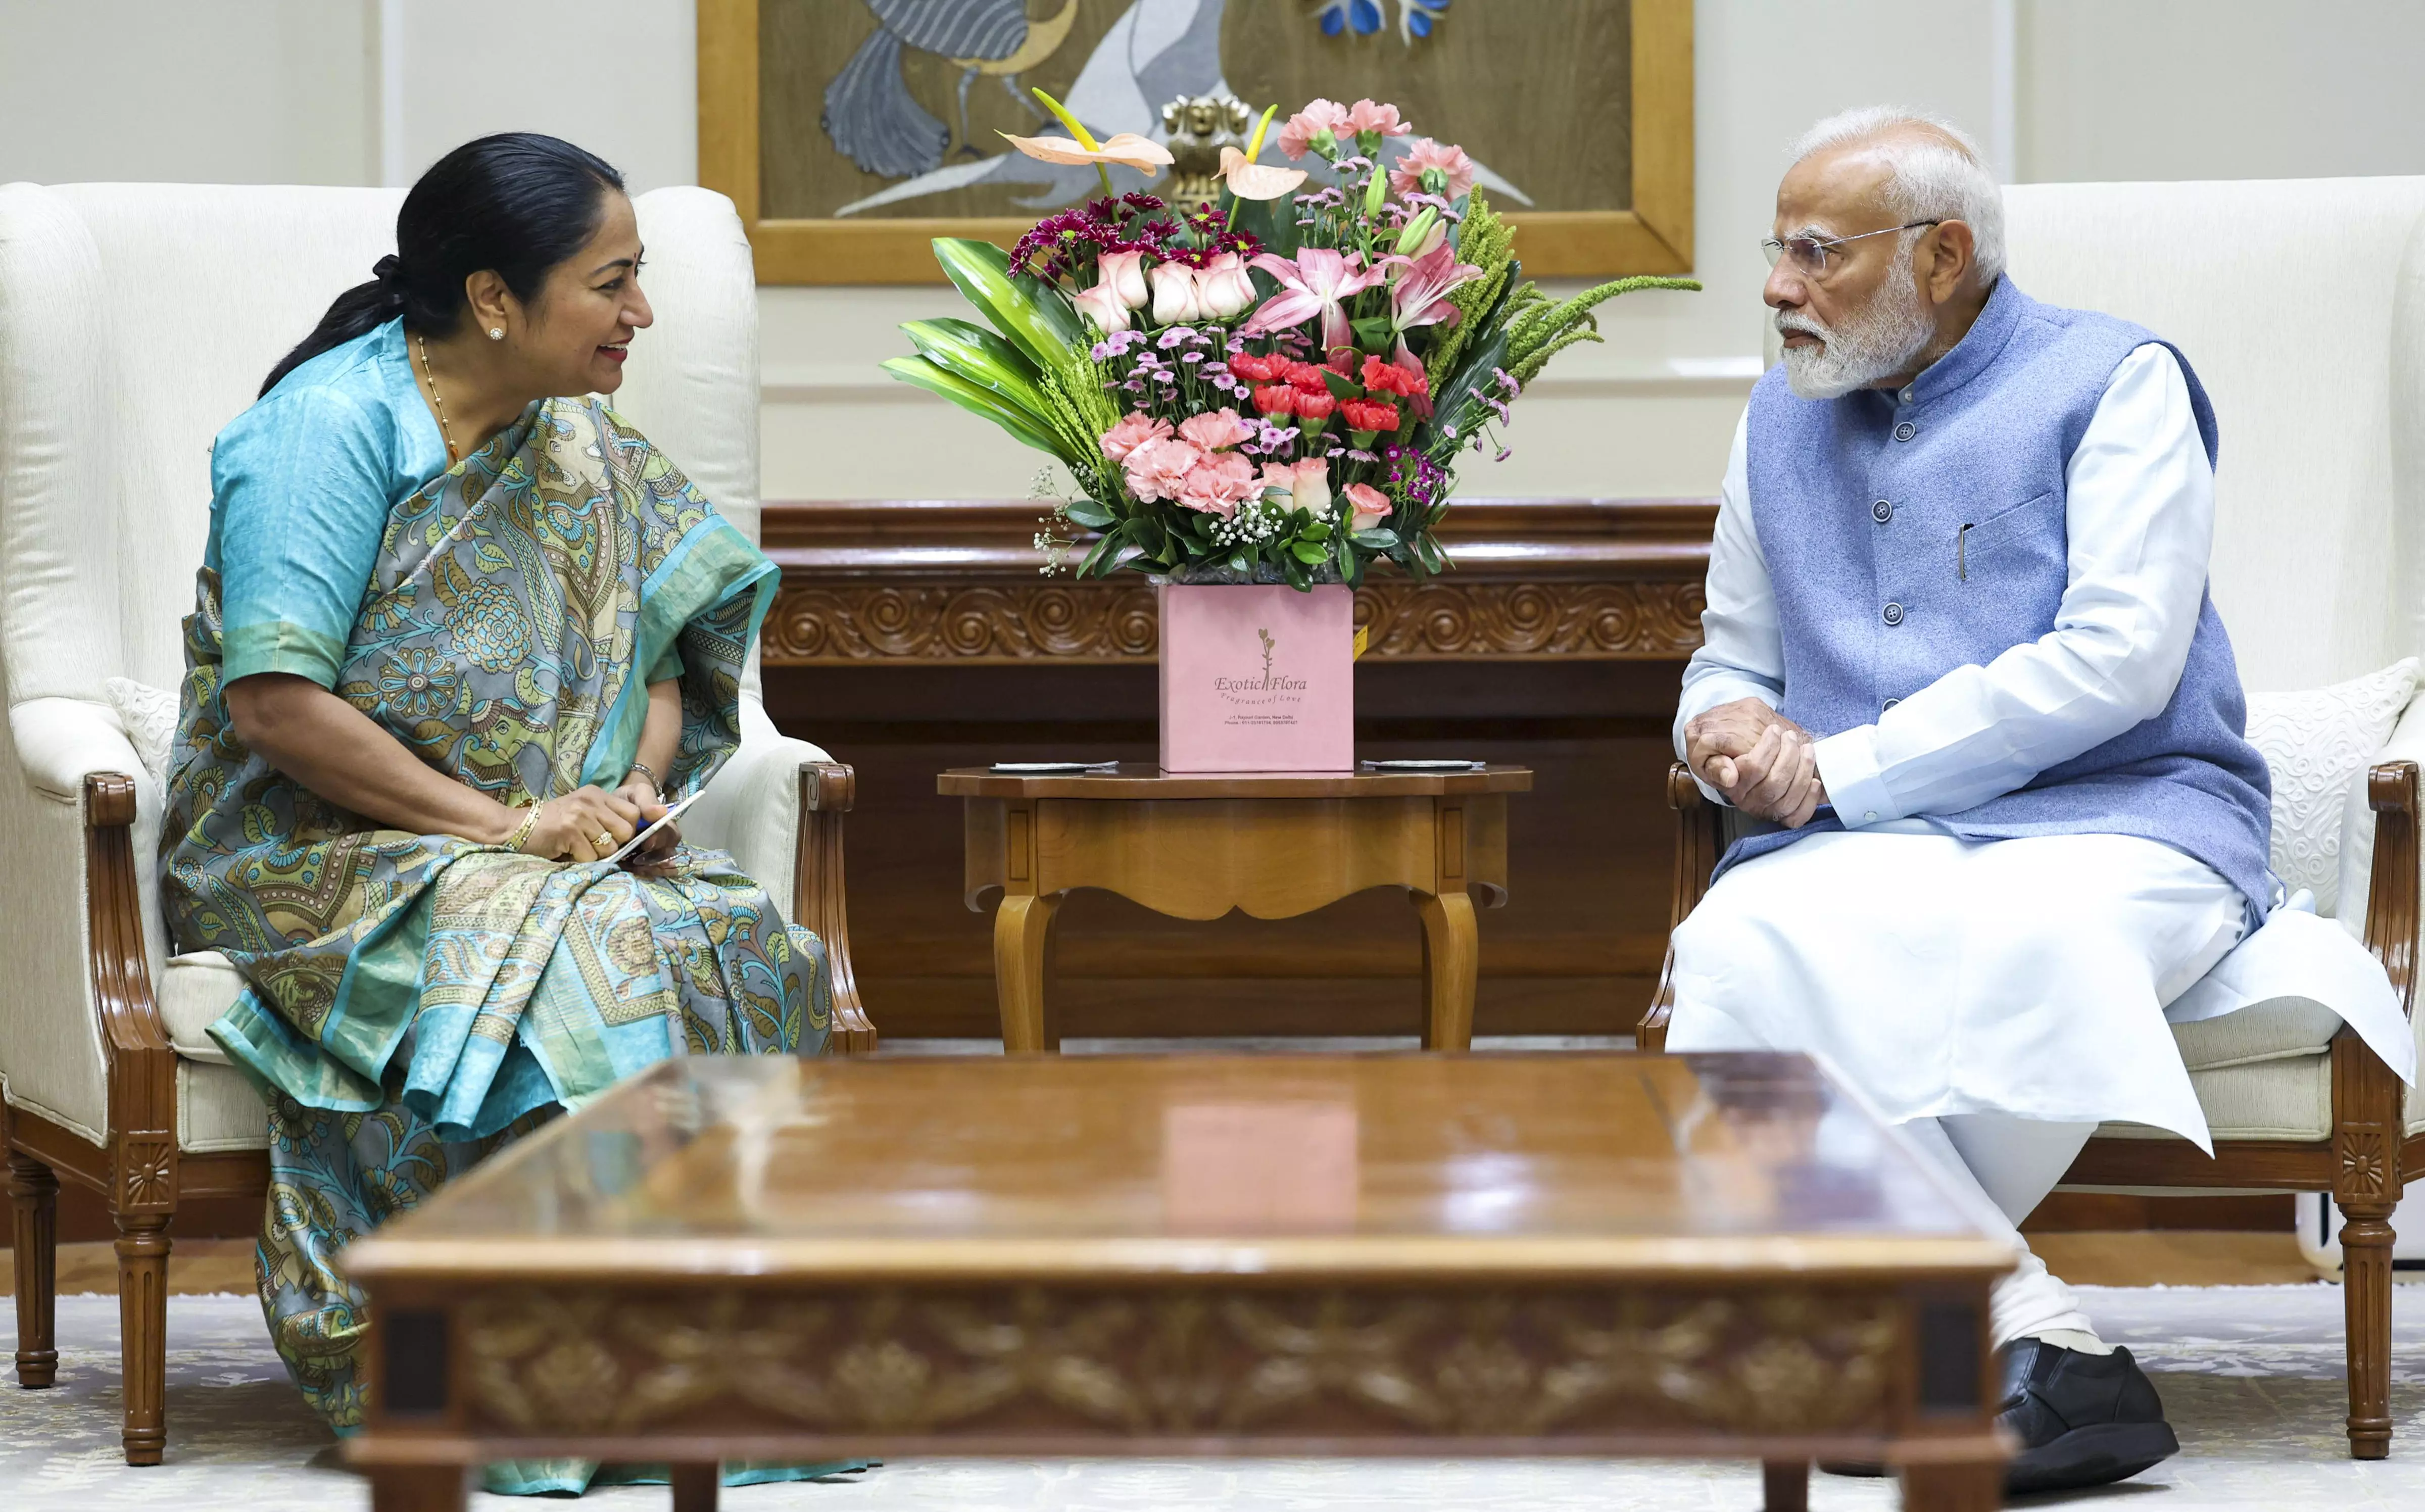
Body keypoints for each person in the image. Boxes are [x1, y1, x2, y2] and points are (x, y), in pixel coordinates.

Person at [1667, 106, 2414, 1496]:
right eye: (1776, 250)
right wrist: (1731, 729)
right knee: (1730, 951)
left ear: (1941, 255)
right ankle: (2034, 1340)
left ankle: (1897, 1332)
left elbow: (2117, 662)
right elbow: (1733, 649)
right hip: (1864, 838)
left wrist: (1838, 768)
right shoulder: (1781, 408)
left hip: (2128, 816)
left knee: (2015, 942)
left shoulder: (2115, 382)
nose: (1776, 286)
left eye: (1815, 253)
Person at [162, 133, 857, 1497]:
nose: (640, 315)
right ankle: (518, 1374)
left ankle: (699, 1369)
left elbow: (652, 663)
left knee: (734, 941)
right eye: (612, 283)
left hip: (532, 839)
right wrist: (506, 826)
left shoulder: (581, 442)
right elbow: (277, 711)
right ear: (495, 299)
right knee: (583, 973)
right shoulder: (324, 434)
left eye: (640, 281)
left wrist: (634, 795)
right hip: (311, 848)